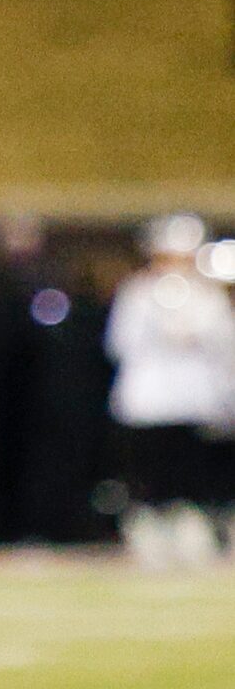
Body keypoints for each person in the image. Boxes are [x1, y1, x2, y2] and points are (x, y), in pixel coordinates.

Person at [104, 213, 235, 567]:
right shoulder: (138, 294)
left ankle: (196, 532)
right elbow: (119, 344)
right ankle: (150, 534)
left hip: (195, 402)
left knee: (193, 474)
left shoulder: (209, 298)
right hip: (149, 402)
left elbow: (226, 347)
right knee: (150, 475)